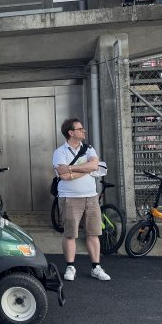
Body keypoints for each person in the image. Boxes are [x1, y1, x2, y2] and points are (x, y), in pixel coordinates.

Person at [52, 118, 111, 282]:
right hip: (69, 199)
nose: (84, 131)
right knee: (70, 234)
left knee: (93, 233)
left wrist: (71, 168)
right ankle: (70, 266)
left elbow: (94, 166)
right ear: (71, 133)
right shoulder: (59, 152)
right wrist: (86, 168)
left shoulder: (89, 149)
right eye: (80, 129)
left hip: (91, 197)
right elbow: (64, 176)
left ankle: (96, 267)